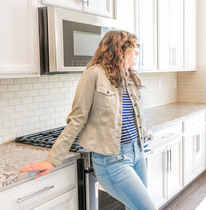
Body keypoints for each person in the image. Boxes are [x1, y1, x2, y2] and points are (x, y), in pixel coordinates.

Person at [20, 30, 158, 210]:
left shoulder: (129, 75)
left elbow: (130, 114)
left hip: (137, 151)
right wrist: (52, 160)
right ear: (120, 50)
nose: (137, 53)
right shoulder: (94, 74)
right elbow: (77, 119)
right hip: (113, 161)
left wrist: (143, 131)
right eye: (133, 48)